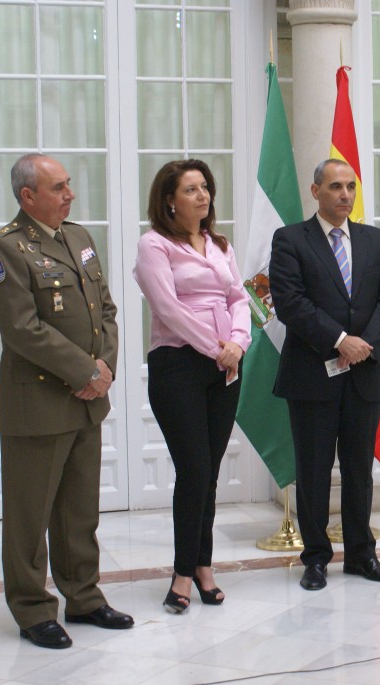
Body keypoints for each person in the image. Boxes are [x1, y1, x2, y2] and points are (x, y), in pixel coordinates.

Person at [0, 154, 134, 650]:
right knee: (30, 513)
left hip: (87, 398)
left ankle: (84, 597)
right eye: (58, 187)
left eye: (69, 185)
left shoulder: (79, 238)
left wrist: (103, 369)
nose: (70, 194)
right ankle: (31, 608)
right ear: (28, 197)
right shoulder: (7, 248)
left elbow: (104, 309)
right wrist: (84, 370)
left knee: (78, 509)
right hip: (40, 403)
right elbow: (23, 329)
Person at [269, 159, 380, 591]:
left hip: (363, 374)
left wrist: (364, 346)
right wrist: (340, 339)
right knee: (314, 470)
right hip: (312, 375)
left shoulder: (375, 240)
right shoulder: (290, 240)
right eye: (336, 187)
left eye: (351, 187)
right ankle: (316, 558)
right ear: (315, 191)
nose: (345, 195)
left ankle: (362, 554)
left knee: (360, 470)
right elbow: (291, 303)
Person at [134, 159, 250, 613]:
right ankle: (184, 572)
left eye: (205, 187)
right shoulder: (154, 245)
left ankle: (203, 566)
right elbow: (167, 307)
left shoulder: (220, 244)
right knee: (194, 470)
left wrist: (237, 344)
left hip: (226, 365)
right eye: (190, 189)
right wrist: (215, 346)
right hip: (178, 364)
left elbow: (240, 298)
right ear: (169, 200)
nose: (202, 195)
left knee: (210, 471)